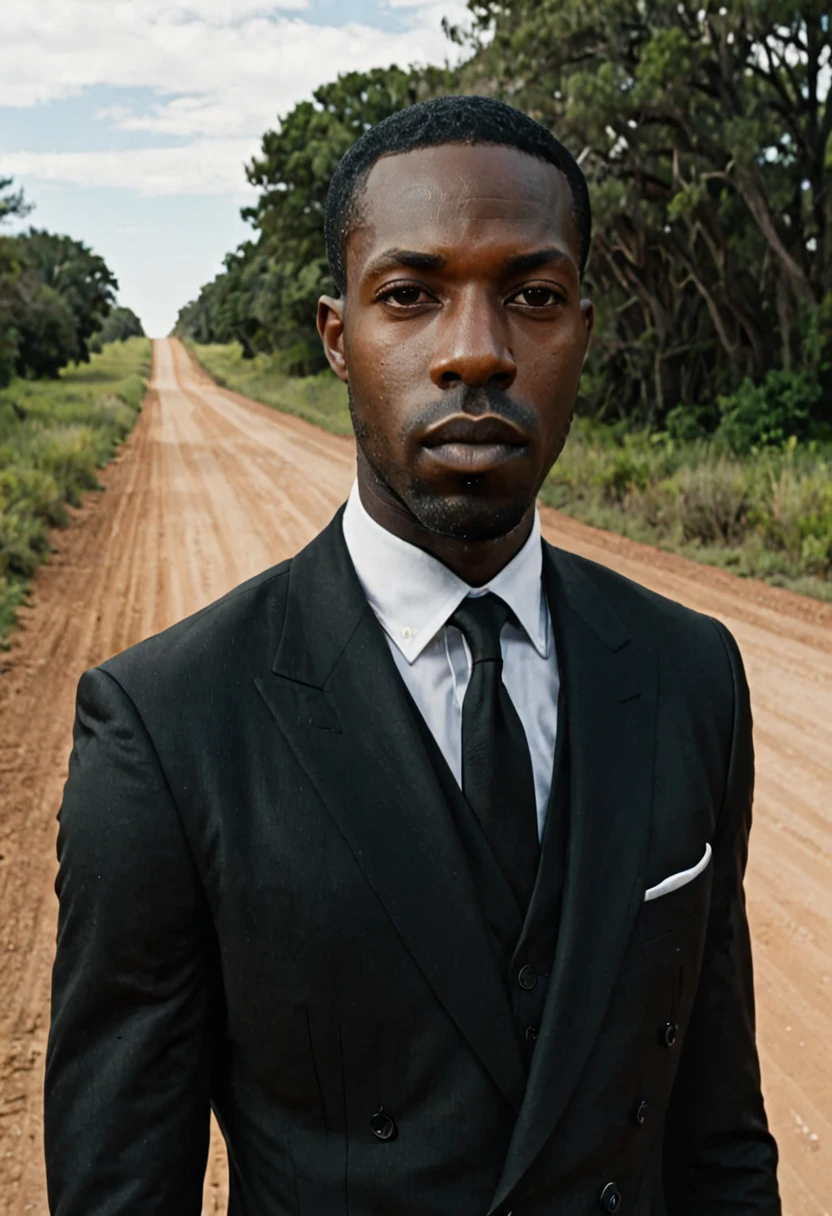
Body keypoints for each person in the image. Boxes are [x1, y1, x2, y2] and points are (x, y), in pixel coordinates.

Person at [44, 95, 780, 1215]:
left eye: (531, 296)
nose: (475, 351)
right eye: (411, 295)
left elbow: (717, 1135)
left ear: (582, 326)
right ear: (339, 337)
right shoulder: (166, 725)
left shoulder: (689, 674)